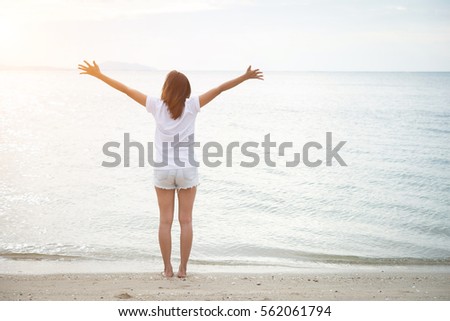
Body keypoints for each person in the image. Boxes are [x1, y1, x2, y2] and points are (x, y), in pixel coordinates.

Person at [78, 61, 263, 278]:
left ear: (166, 87)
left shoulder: (155, 106)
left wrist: (99, 76)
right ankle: (183, 270)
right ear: (186, 90)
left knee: (165, 221)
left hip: (163, 170)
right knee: (186, 221)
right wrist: (244, 77)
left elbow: (126, 90)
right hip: (186, 170)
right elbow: (220, 89)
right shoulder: (193, 105)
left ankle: (167, 269)